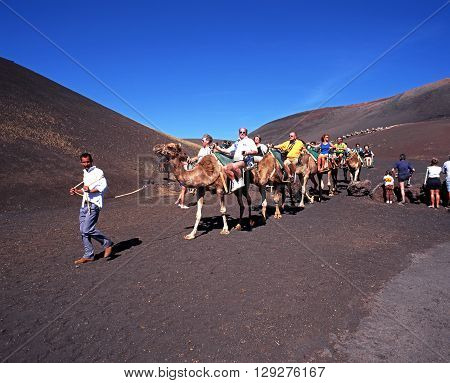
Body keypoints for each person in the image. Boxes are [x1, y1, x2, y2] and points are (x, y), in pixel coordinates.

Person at [69, 153, 113, 264]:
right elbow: (85, 190)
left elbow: (102, 187)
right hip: (84, 204)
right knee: (83, 231)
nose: (86, 164)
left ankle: (107, 243)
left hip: (93, 204)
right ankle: (89, 255)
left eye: (88, 162)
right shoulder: (86, 173)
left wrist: (89, 190)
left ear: (91, 161)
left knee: (87, 229)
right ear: (81, 163)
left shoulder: (98, 172)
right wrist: (76, 191)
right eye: (83, 162)